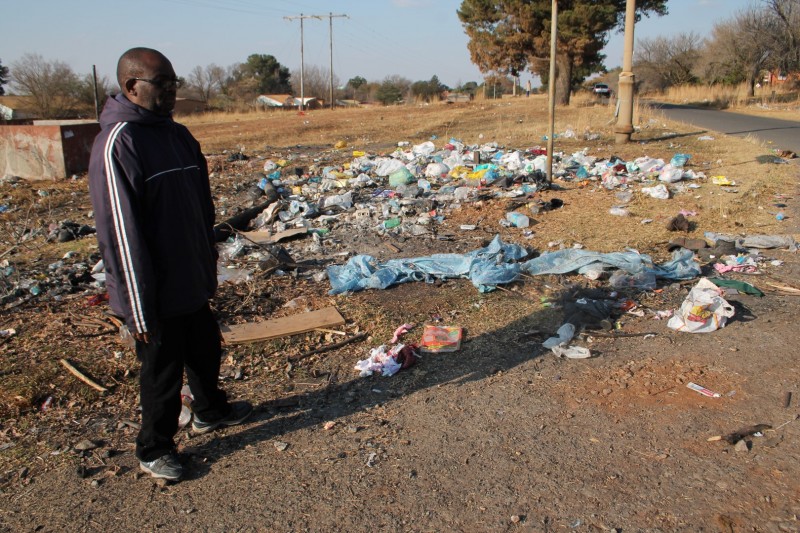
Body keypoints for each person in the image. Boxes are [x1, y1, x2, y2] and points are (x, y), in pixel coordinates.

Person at [88, 47, 252, 482]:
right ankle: (154, 447)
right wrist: (136, 309)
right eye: (162, 83)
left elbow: (201, 207)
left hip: (189, 278)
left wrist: (206, 263)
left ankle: (210, 411)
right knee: (162, 373)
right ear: (131, 86)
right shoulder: (119, 143)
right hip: (153, 290)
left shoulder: (178, 136)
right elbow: (120, 233)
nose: (172, 91)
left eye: (174, 82)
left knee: (205, 349)